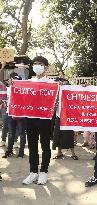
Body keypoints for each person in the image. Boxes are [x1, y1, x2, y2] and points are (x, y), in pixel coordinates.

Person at [22, 56, 55, 185]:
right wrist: (13, 85)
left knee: (45, 145)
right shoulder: (28, 82)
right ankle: (33, 172)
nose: (37, 66)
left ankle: (44, 172)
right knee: (32, 146)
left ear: (45, 67)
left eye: (40, 63)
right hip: (30, 118)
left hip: (45, 119)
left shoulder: (52, 83)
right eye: (34, 63)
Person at [52, 78, 79, 160]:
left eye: (62, 83)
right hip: (59, 117)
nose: (60, 84)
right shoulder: (55, 93)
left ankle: (73, 153)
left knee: (69, 135)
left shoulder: (69, 92)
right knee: (57, 135)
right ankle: (59, 152)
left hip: (68, 117)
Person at [2, 72, 26, 158]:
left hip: (21, 115)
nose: (13, 82)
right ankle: (9, 151)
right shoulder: (7, 89)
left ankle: (21, 152)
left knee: (21, 133)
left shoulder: (23, 91)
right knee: (11, 133)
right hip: (10, 113)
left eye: (16, 80)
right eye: (12, 80)